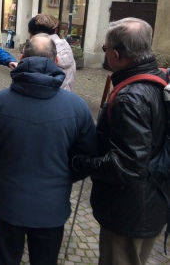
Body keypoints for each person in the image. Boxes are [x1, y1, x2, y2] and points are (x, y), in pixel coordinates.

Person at [0, 34, 97, 264]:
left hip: (8, 203)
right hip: (52, 206)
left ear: (21, 58)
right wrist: (64, 177)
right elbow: (87, 156)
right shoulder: (77, 107)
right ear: (56, 61)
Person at [70, 18, 167, 265]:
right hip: (153, 199)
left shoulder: (130, 97)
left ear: (115, 54)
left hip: (130, 210)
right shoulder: (160, 80)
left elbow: (127, 166)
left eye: (104, 49)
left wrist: (82, 162)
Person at [28, 14, 76, 91]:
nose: (29, 37)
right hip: (65, 96)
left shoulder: (39, 51)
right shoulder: (65, 47)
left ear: (34, 35)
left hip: (47, 100)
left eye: (30, 34)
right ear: (55, 30)